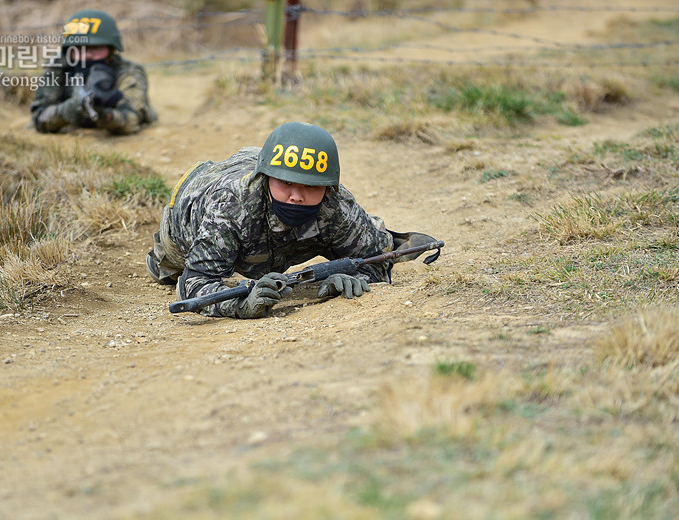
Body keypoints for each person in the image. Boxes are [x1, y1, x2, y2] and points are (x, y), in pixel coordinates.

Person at [146, 122, 436, 318]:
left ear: (327, 187)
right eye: (286, 183)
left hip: (269, 170)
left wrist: (354, 277)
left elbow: (374, 263)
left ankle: (382, 235)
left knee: (376, 246)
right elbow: (194, 283)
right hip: (191, 203)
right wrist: (242, 304)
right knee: (168, 269)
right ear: (267, 179)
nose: (297, 195)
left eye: (310, 186)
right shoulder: (229, 208)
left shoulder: (336, 204)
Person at [30, 9, 156, 135]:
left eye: (96, 48)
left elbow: (132, 120)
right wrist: (67, 111)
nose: (87, 55)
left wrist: (105, 116)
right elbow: (39, 117)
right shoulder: (58, 67)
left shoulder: (128, 71)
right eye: (80, 48)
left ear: (111, 49)